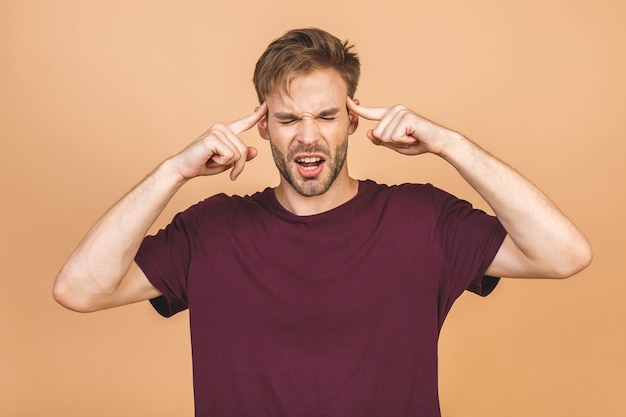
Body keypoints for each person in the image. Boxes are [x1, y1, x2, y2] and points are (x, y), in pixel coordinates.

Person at [53, 28, 592, 417]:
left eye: (327, 116)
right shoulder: (211, 229)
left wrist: (451, 145)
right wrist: (173, 171)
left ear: (353, 119)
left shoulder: (422, 218)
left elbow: (563, 255)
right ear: (263, 126)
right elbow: (79, 290)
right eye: (288, 119)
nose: (308, 136)